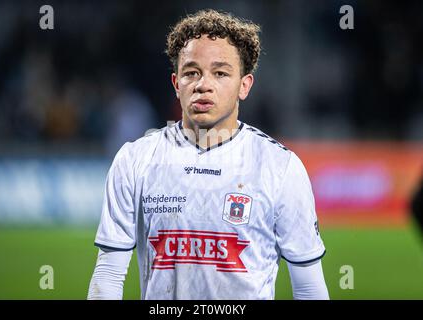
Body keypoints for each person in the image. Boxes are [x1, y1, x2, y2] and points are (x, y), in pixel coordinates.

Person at [87, 9, 329, 300]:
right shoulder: (135, 160)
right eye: (191, 72)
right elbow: (108, 277)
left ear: (244, 85)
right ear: (177, 84)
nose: (203, 84)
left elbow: (308, 288)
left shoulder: (280, 167)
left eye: (220, 73)